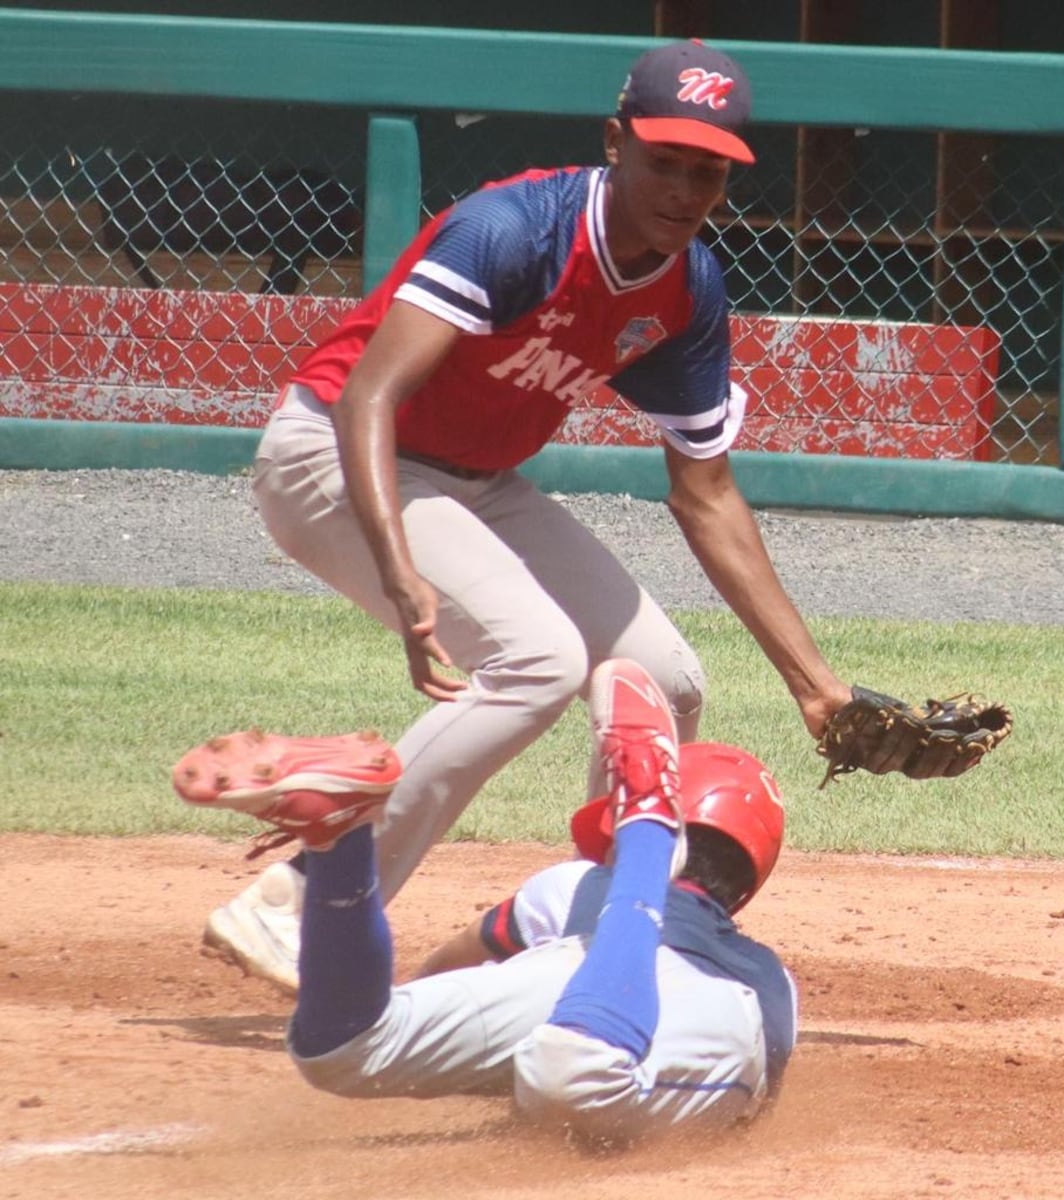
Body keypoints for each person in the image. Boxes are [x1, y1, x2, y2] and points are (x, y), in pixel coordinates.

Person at [204, 38, 850, 992]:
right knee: (538, 659)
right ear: (615, 143)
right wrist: (399, 569)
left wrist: (816, 687)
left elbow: (706, 493)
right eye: (665, 161)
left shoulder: (687, 289)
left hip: (474, 482)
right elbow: (369, 395)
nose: (684, 190)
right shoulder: (511, 228)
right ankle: (300, 903)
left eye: (708, 172)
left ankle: (596, 936)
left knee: (663, 681)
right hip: (333, 455)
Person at [173, 659, 796, 1141]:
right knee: (572, 1073)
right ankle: (650, 837)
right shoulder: (770, 980)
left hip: (576, 967)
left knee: (346, 1051)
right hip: (693, 1004)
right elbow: (750, 1107)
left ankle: (342, 845)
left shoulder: (575, 884)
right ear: (749, 874)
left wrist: (426, 1029)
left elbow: (456, 960)